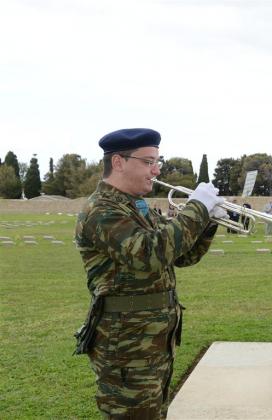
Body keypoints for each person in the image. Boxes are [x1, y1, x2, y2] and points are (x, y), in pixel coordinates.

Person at [74, 128, 226, 419]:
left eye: (158, 161)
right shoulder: (102, 210)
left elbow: (181, 256)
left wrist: (207, 224)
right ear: (118, 162)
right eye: (148, 162)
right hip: (125, 344)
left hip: (152, 339)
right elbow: (150, 254)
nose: (156, 170)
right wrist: (196, 209)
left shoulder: (138, 208)